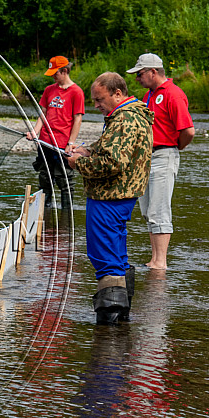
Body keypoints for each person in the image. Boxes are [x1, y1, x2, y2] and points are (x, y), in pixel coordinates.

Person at [67, 72, 153, 324]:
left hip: (110, 195)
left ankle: (110, 320)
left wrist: (78, 163)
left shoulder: (124, 119)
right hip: (122, 194)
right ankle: (121, 318)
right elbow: (109, 145)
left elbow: (113, 162)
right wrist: (87, 149)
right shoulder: (132, 114)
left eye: (99, 99)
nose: (96, 105)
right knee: (116, 255)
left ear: (117, 93)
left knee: (104, 255)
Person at [127, 53, 195, 270]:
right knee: (148, 210)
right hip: (147, 157)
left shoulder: (173, 94)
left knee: (159, 210)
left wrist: (176, 147)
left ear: (153, 72)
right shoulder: (150, 95)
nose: (137, 78)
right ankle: (155, 258)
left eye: (140, 74)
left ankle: (160, 262)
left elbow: (188, 131)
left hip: (163, 155)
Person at [26, 56, 85, 209]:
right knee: (45, 178)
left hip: (62, 144)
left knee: (64, 180)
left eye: (55, 73)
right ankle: (44, 211)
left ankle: (67, 215)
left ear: (65, 71)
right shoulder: (49, 90)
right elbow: (43, 114)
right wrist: (34, 132)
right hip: (45, 141)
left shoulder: (76, 92)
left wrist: (70, 143)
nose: (53, 76)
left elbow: (77, 119)